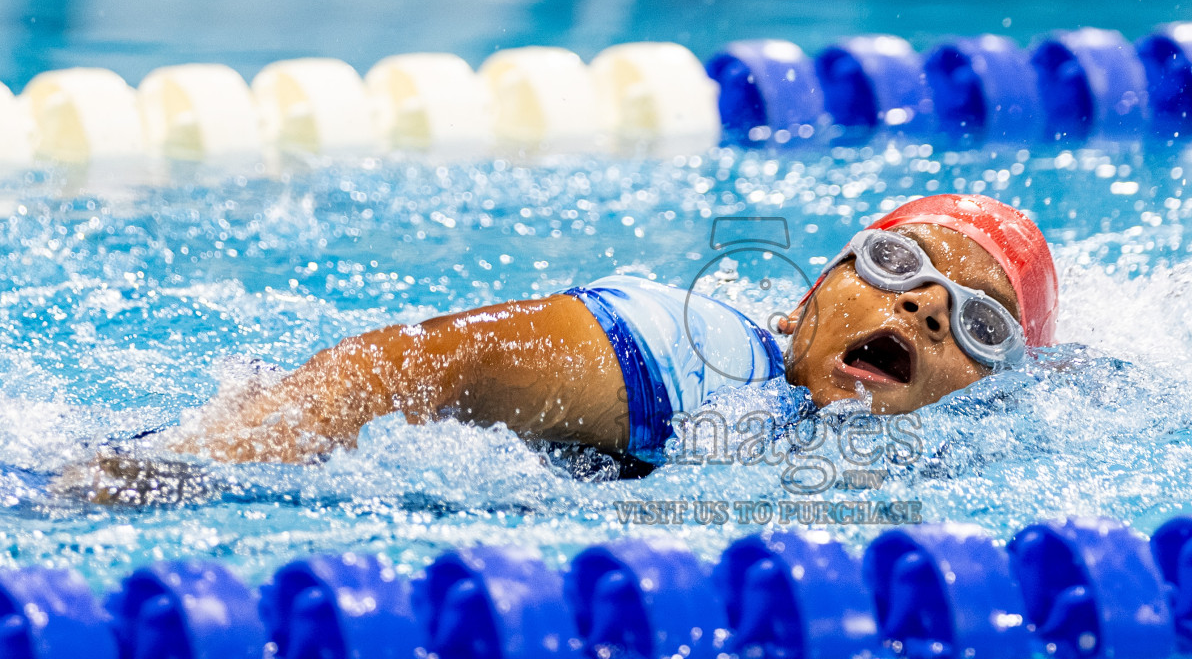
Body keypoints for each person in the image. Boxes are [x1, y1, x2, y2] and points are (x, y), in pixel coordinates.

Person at [76, 193, 1057, 494]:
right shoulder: (703, 350)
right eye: (895, 262)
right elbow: (435, 360)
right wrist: (190, 467)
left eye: (979, 325)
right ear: (801, 306)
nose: (928, 305)